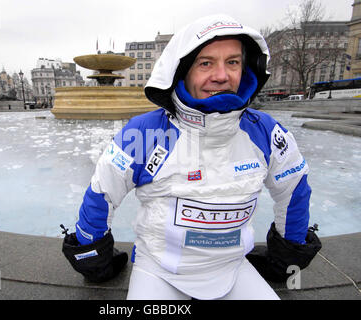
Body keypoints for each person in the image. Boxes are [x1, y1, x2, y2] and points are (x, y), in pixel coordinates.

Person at [60, 14, 321, 300]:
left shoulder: (266, 132)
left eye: (232, 62)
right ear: (181, 70)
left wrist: (286, 257)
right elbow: (101, 194)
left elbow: (294, 190)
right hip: (158, 273)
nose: (222, 75)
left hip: (234, 269)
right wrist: (94, 259)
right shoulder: (143, 133)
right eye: (206, 63)